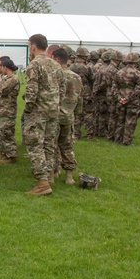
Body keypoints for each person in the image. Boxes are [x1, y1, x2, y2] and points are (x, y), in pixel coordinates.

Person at [23, 34, 62, 195]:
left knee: (35, 145)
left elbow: (31, 92)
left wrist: (28, 108)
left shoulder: (34, 65)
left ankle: (42, 182)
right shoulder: (56, 65)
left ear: (33, 46)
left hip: (38, 111)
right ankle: (50, 176)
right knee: (49, 144)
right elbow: (62, 87)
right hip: (54, 110)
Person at [54, 47, 82, 184]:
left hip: (55, 115)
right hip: (69, 116)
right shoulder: (76, 77)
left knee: (52, 145)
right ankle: (69, 176)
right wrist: (75, 114)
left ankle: (52, 174)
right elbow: (79, 98)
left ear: (57, 59)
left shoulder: (56, 75)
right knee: (67, 146)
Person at [113, 52, 140, 145]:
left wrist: (119, 98)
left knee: (120, 120)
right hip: (132, 101)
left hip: (120, 98)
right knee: (130, 121)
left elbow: (114, 87)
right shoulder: (137, 73)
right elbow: (139, 89)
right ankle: (126, 141)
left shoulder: (119, 72)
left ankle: (118, 139)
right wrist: (128, 98)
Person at [0, 57, 21, 163]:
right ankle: (5, 154)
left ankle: (11, 155)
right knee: (2, 132)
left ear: (5, 67)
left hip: (8, 110)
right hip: (3, 109)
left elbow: (1, 90)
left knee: (7, 132)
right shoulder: (6, 78)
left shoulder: (13, 79)